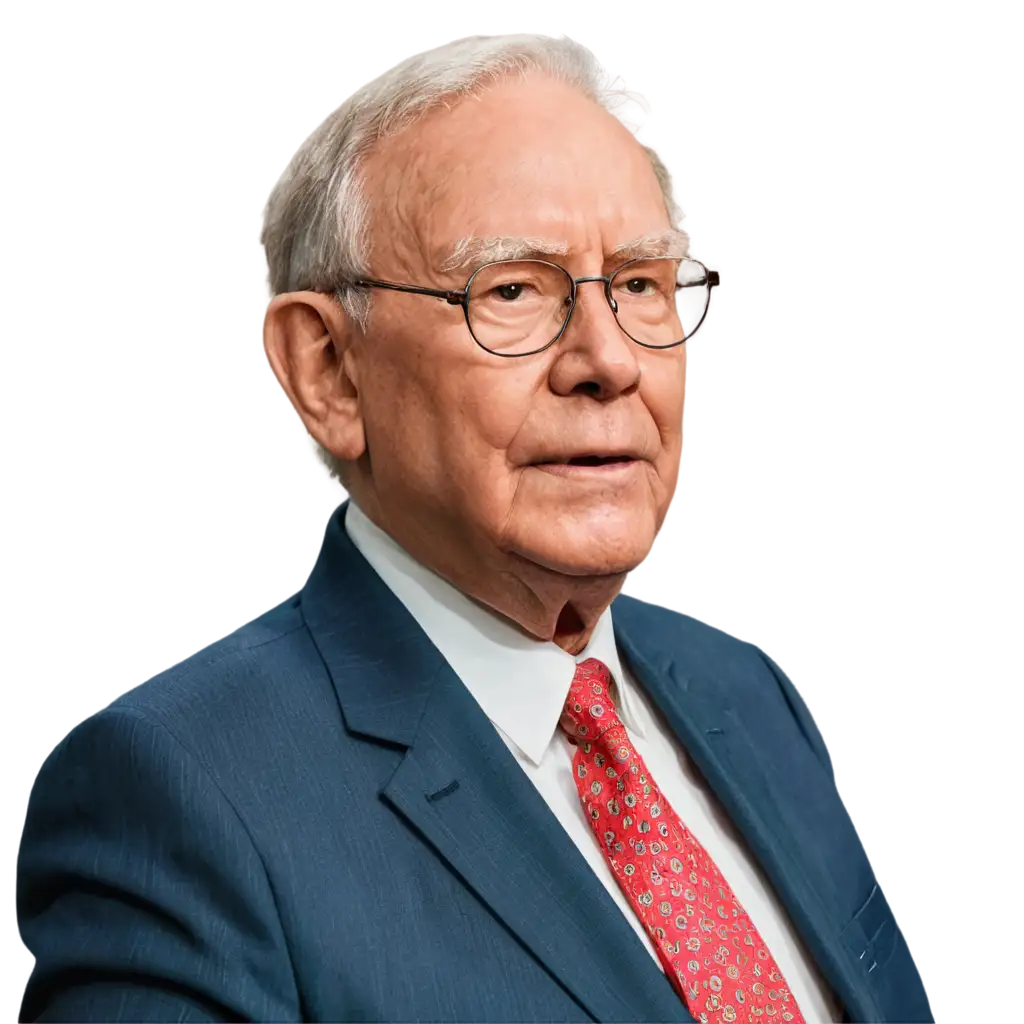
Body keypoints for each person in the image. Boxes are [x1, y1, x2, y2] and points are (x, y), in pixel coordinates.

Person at [13, 32, 932, 1024]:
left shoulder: (744, 694)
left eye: (638, 284)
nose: (608, 360)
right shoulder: (183, 798)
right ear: (326, 370)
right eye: (512, 291)